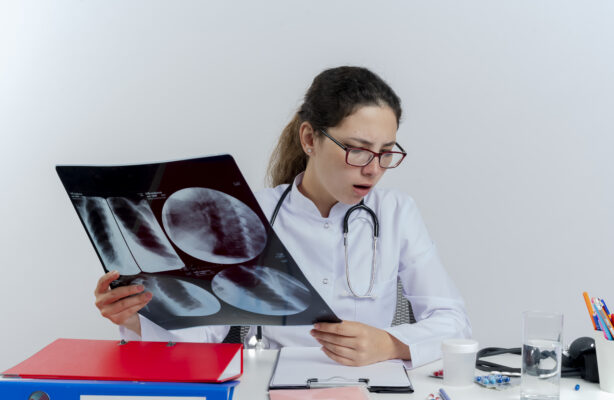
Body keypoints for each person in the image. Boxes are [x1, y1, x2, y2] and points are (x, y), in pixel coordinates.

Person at [94, 66, 471, 368]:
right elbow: (205, 332)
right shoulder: (251, 210)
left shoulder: (395, 212)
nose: (373, 169)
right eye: (358, 150)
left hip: (370, 384)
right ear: (310, 139)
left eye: (386, 153)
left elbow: (454, 324)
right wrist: (136, 317)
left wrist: (389, 344)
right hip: (273, 384)